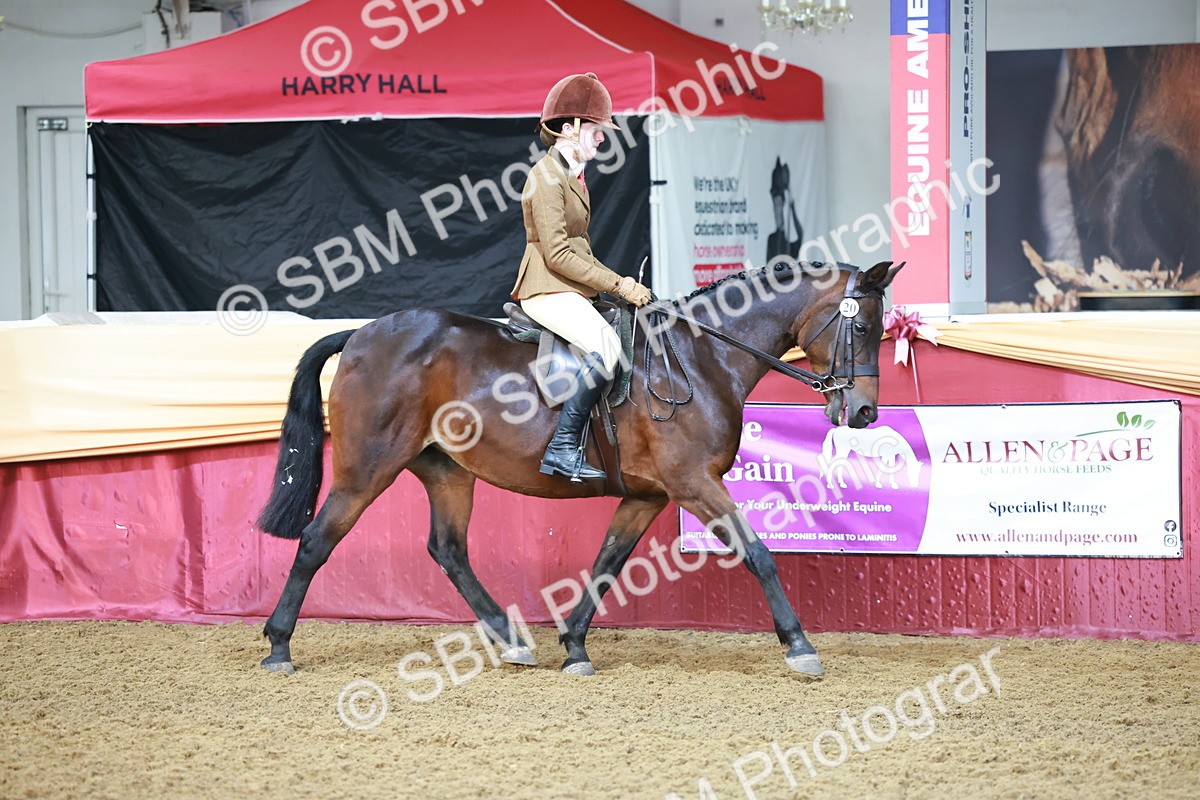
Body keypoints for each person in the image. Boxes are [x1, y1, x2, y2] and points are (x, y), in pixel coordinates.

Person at [510, 72, 652, 482]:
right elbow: (557, 254)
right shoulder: (545, 177)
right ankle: (562, 447)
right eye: (596, 130)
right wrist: (617, 285)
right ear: (569, 128)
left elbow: (581, 248)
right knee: (605, 347)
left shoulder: (572, 175)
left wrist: (620, 283)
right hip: (546, 286)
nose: (602, 138)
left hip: (569, 285)